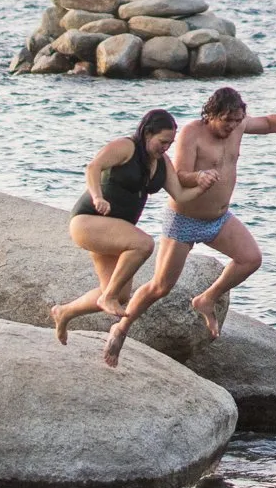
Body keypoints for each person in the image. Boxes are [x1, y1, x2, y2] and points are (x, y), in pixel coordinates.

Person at [102, 83, 276, 366]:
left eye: (237, 121)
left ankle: (206, 299)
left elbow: (268, 123)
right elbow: (178, 174)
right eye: (227, 121)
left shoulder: (238, 126)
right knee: (160, 287)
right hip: (184, 220)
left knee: (250, 259)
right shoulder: (192, 132)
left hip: (218, 219)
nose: (232, 127)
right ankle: (121, 328)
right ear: (212, 114)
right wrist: (199, 176)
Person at [50, 108, 180, 341]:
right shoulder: (126, 146)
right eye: (163, 141)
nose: (166, 147)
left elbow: (180, 194)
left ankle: (64, 312)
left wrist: (204, 183)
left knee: (121, 295)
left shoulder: (161, 162)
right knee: (143, 244)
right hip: (89, 220)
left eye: (170, 143)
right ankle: (106, 297)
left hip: (113, 232)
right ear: (147, 133)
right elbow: (93, 167)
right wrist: (98, 197)